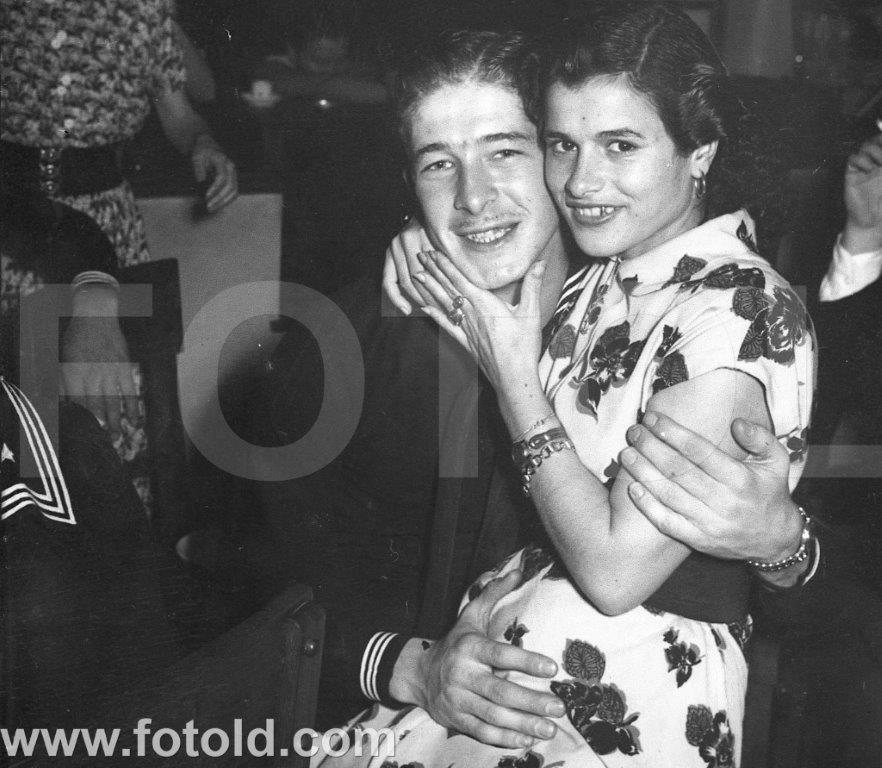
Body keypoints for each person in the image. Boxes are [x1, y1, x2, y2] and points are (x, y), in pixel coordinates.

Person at [315, 7, 815, 765]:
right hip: (479, 684)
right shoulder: (601, 284)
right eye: (562, 146)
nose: (582, 181)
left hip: (611, 707)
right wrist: (404, 666)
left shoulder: (731, 304)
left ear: (701, 151)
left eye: (621, 145)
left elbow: (617, 570)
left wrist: (788, 548)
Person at [0, 0, 238, 268]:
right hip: (10, 222)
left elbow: (180, 117)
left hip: (101, 220)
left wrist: (203, 142)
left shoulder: (142, 13)